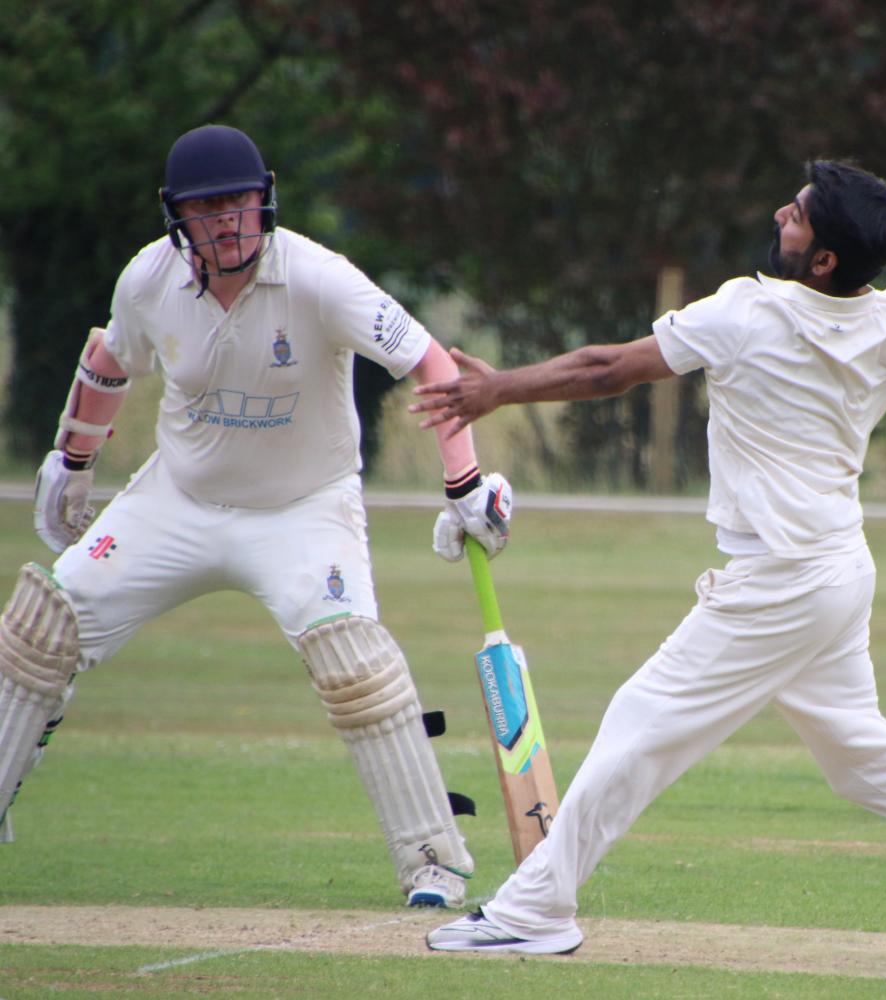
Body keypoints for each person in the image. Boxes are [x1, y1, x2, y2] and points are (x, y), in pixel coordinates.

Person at [412, 160, 886, 979]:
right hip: (837, 571)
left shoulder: (748, 309)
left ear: (822, 261)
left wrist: (499, 391)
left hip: (779, 580)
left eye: (799, 216)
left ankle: (535, 909)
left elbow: (610, 369)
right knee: (863, 765)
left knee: (639, 723)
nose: (782, 212)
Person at [1, 124, 514, 908]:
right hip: (177, 501)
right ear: (180, 219)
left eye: (241, 204)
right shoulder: (148, 279)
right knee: (43, 623)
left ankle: (431, 859)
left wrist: (465, 484)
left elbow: (430, 362)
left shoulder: (319, 278)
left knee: (356, 665)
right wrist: (72, 459)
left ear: (265, 201)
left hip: (304, 508)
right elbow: (111, 357)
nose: (228, 222)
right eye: (209, 210)